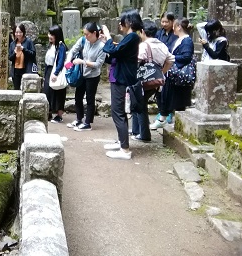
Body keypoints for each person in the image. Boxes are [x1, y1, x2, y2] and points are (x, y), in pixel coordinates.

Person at [99, 9, 143, 160]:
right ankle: (121, 142)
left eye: (122, 21)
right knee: (119, 113)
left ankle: (125, 149)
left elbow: (116, 51)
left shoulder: (132, 37)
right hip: (119, 77)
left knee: (118, 112)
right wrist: (107, 42)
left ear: (129, 22)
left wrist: (108, 38)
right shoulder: (130, 37)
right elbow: (116, 53)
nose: (120, 24)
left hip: (121, 79)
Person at [131, 20, 174, 142]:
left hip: (143, 82)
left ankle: (144, 134)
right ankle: (136, 130)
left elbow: (137, 60)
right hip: (156, 82)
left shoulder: (144, 45)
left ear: (142, 32)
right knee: (140, 104)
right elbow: (171, 59)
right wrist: (162, 72)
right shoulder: (162, 45)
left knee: (140, 106)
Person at [150, 17, 194, 129]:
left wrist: (171, 57)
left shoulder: (187, 41)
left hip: (180, 74)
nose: (173, 28)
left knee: (178, 100)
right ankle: (163, 118)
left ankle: (172, 120)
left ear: (179, 27)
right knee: (166, 96)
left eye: (174, 25)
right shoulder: (179, 39)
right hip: (173, 74)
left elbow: (186, 57)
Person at [65, 22, 106, 131]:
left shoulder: (102, 47)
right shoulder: (83, 40)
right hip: (82, 73)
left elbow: (98, 64)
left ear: (94, 33)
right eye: (84, 34)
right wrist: (68, 61)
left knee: (90, 98)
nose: (85, 36)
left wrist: (83, 62)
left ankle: (87, 123)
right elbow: (73, 50)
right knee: (78, 97)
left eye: (87, 34)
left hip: (92, 76)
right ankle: (79, 119)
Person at [154, 11, 178, 124]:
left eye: (166, 22)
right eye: (162, 21)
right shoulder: (159, 33)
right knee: (159, 90)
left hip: (171, 64)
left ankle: (168, 112)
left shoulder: (175, 34)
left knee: (169, 90)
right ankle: (161, 111)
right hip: (159, 64)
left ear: (172, 22)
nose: (164, 24)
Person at [44, 25, 67, 123]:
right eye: (49, 34)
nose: (50, 36)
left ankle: (59, 115)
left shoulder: (61, 46)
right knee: (47, 92)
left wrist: (56, 73)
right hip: (49, 70)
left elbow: (61, 61)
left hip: (57, 71)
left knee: (58, 92)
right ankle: (48, 112)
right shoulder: (51, 45)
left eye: (52, 34)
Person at [9, 23, 37, 90]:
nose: (18, 34)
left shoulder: (28, 41)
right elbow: (10, 58)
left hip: (26, 69)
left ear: (23, 32)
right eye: (16, 32)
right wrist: (15, 52)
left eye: (20, 32)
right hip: (15, 70)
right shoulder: (13, 44)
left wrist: (23, 49)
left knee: (26, 89)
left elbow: (33, 54)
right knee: (16, 89)